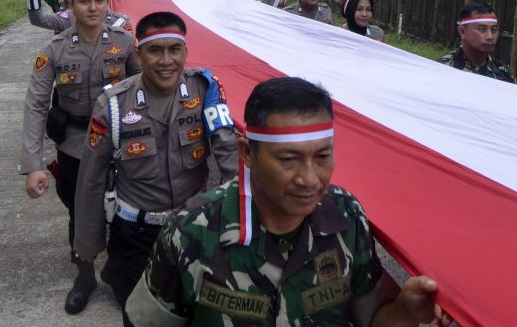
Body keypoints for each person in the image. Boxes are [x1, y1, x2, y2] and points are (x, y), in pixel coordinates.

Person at [125, 77, 451, 327]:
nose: (310, 179)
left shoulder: (346, 217)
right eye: (289, 159)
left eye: (322, 157)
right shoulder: (190, 232)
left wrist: (406, 311)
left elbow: (373, 319)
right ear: (247, 154)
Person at [74, 11, 239, 322]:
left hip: (194, 230)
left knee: (195, 312)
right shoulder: (113, 103)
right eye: (155, 50)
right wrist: (88, 240)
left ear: (185, 52)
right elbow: (91, 176)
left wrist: (237, 220)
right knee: (139, 315)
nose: (166, 61)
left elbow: (228, 153)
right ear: (139, 54)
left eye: (174, 49)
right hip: (135, 234)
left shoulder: (205, 90)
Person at [19, 0, 141, 315]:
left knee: (125, 211)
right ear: (70, 5)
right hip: (75, 145)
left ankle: (119, 273)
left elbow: (143, 89)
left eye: (99, 0)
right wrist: (32, 165)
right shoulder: (53, 49)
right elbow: (36, 105)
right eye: (84, 1)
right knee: (79, 210)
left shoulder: (125, 43)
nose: (93, 8)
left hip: (119, 142)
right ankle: (84, 275)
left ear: (108, 3)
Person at [438, 3, 514, 82]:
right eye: (482, 29)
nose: (490, 37)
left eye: (494, 30)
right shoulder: (442, 69)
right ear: (462, 32)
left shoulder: (504, 74)